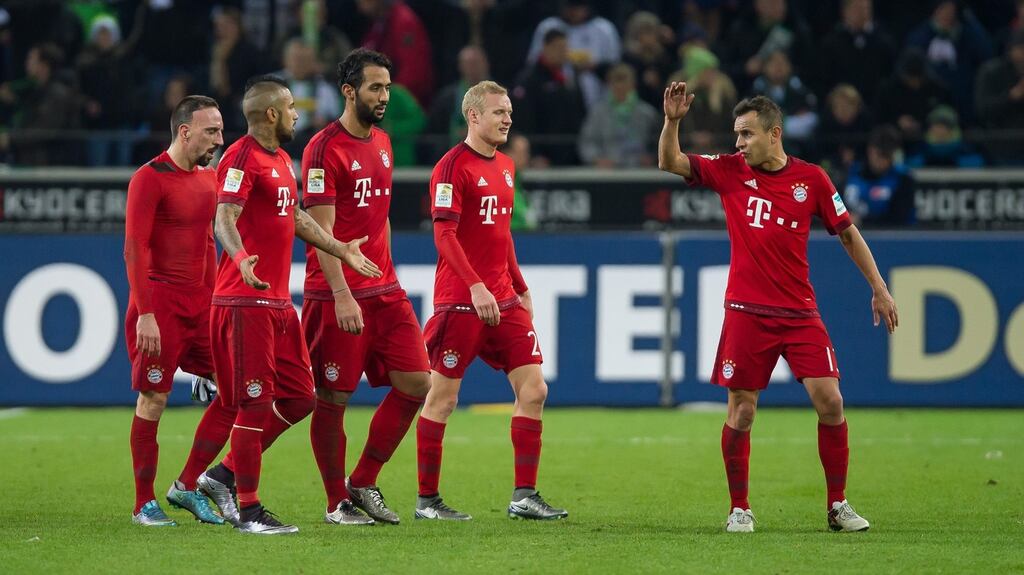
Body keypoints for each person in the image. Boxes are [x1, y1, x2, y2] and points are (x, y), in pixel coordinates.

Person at [658, 84, 898, 533]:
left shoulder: (812, 179)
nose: (738, 144)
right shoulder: (729, 171)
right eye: (736, 135)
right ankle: (739, 507)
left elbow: (847, 232)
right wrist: (673, 121)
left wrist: (879, 287)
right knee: (743, 411)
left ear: (775, 134)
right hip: (746, 312)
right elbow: (670, 162)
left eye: (746, 134)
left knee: (830, 401)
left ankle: (838, 504)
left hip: (800, 312)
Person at [175, 75, 382, 535]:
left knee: (299, 397)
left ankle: (222, 475)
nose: (296, 113)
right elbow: (224, 215)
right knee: (253, 404)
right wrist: (239, 255)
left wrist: (339, 247)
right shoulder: (241, 157)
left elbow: (295, 215)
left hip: (275, 303)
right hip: (245, 300)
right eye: (290, 107)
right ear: (270, 114)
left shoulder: (280, 159)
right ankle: (249, 510)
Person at [414, 80, 568, 522]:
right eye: (499, 112)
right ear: (474, 116)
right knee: (442, 399)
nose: (507, 120)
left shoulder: (504, 165)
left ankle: (524, 495)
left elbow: (501, 235)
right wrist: (476, 285)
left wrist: (519, 287)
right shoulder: (450, 167)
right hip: (462, 301)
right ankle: (427, 500)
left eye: (509, 113)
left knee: (535, 389)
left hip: (503, 299)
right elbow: (443, 235)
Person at [300, 48, 430, 526]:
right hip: (336, 294)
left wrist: (386, 270)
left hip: (384, 290)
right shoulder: (322, 149)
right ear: (349, 90)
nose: (384, 97)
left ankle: (364, 479)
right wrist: (341, 293)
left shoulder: (384, 143)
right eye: (375, 88)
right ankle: (337, 501)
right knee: (333, 398)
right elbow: (319, 233)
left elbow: (381, 217)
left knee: (417, 382)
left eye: (388, 88)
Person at [124, 95, 225, 527]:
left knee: (240, 390)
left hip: (201, 306)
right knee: (154, 397)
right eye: (211, 131)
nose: (219, 140)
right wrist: (145, 313)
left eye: (220, 131)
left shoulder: (210, 179)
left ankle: (185, 486)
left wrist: (216, 301)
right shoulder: (149, 178)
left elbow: (207, 245)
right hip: (159, 305)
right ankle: (143, 504)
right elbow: (135, 249)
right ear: (184, 131)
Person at [842, 125, 915, 226]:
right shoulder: (851, 174)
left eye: (887, 156)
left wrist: (863, 222)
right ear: (870, 151)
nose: (883, 160)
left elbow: (899, 219)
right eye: (880, 154)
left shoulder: (902, 179)